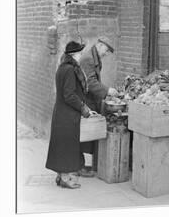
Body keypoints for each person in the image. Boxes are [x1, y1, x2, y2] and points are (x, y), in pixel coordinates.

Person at [45, 41, 94, 189]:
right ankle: (66, 178)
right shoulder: (70, 70)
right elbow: (69, 95)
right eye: (79, 53)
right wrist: (84, 108)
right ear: (74, 55)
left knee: (62, 145)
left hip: (62, 113)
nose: (81, 56)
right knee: (67, 146)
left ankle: (61, 176)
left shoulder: (63, 68)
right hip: (67, 115)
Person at [79, 37, 117, 177]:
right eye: (106, 50)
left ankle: (85, 165)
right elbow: (90, 82)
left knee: (88, 134)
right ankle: (79, 166)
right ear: (100, 45)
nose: (106, 54)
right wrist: (107, 91)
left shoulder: (93, 56)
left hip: (90, 99)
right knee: (84, 133)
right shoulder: (88, 59)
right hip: (85, 99)